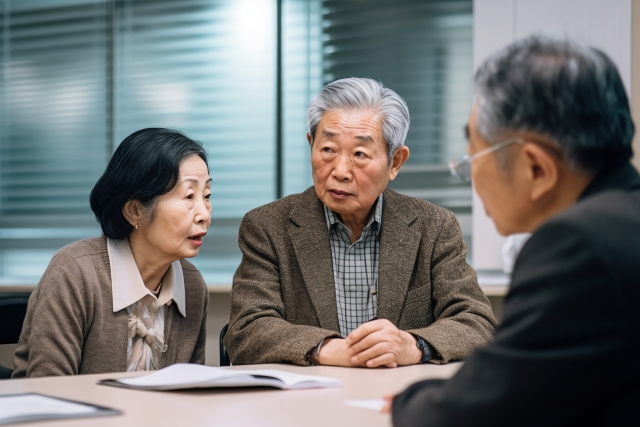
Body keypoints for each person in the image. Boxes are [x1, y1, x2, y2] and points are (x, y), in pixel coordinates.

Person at [387, 34, 640, 425]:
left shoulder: (581, 247)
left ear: (536, 169)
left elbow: (473, 414)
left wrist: (410, 399)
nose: (471, 177)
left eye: (473, 158)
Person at [225, 77, 496, 368]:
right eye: (328, 150)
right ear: (310, 145)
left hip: (401, 401)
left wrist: (414, 346)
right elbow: (247, 331)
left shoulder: (434, 227)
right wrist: (328, 349)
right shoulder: (267, 227)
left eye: (359, 154)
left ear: (395, 163)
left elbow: (476, 322)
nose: (340, 171)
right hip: (307, 402)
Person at [13, 128, 211, 377]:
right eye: (189, 196)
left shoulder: (193, 286)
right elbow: (49, 390)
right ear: (134, 211)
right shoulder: (74, 273)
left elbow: (192, 390)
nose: (204, 214)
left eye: (207, 195)